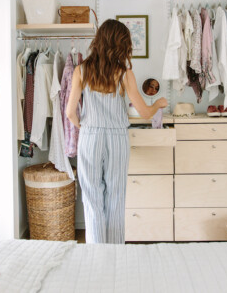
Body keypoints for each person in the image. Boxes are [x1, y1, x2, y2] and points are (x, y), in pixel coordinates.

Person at [66, 19, 168, 244]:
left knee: (92, 197)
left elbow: (69, 113)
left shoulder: (81, 70)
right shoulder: (125, 73)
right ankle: (114, 252)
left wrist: (86, 128)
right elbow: (144, 112)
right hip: (116, 138)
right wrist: (158, 104)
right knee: (115, 196)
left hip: (90, 137)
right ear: (120, 44)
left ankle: (96, 252)